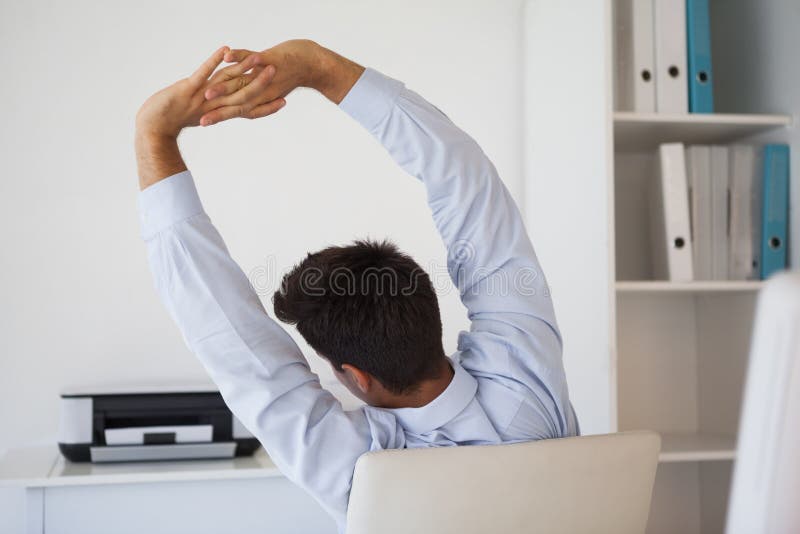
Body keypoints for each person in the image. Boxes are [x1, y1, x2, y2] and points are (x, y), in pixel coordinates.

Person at [135, 39, 579, 532]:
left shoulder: (358, 468)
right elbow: (467, 181)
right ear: (427, 308)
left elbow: (228, 336)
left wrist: (154, 136)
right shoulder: (526, 376)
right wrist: (321, 69)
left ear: (357, 377)